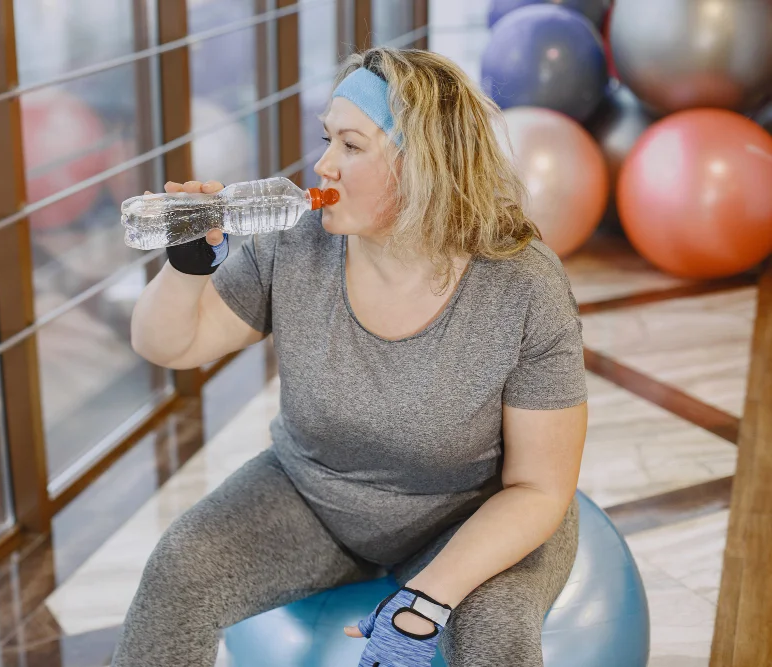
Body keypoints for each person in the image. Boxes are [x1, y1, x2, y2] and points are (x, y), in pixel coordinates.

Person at [114, 47, 588, 667]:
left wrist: (425, 602)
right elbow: (168, 344)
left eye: (352, 145)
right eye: (326, 139)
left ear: (425, 164)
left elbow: (538, 487)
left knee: (495, 633)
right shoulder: (296, 244)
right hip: (312, 497)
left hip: (473, 514)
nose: (322, 164)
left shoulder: (522, 286)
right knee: (179, 570)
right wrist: (188, 264)